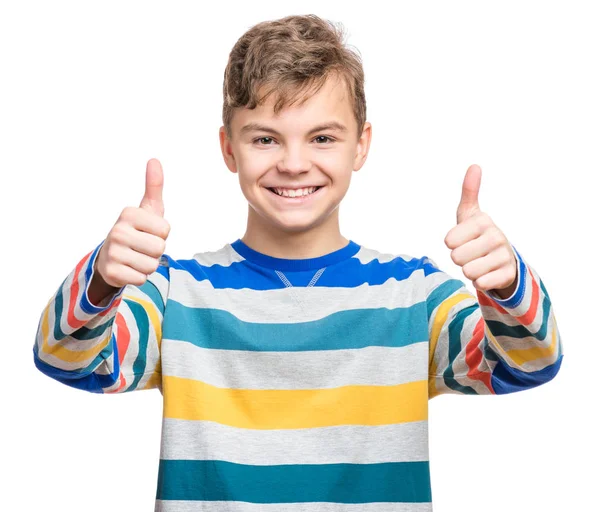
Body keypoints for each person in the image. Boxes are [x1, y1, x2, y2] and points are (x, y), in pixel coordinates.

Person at [33, 13, 564, 511]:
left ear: (361, 145)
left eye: (323, 138)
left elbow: (528, 364)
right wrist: (102, 280)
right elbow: (69, 360)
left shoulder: (414, 293)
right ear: (228, 149)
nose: (292, 163)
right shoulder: (176, 293)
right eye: (265, 138)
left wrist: (509, 282)